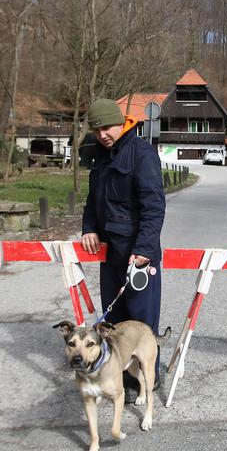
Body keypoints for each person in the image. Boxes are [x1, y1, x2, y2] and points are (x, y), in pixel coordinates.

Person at [80, 98, 165, 393]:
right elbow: (93, 200)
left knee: (141, 323)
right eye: (97, 129)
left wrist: (143, 249)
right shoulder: (101, 156)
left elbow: (153, 206)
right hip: (111, 255)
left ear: (121, 122)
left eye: (107, 126)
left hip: (140, 256)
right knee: (113, 324)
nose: (102, 133)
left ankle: (148, 379)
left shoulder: (141, 153)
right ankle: (124, 379)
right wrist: (89, 227)